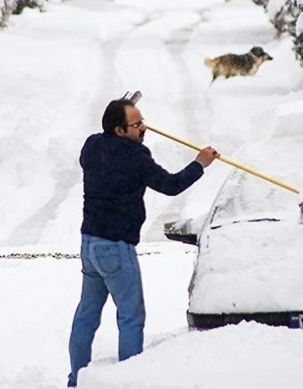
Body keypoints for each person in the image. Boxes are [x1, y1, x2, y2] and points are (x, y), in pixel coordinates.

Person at [67, 98, 218, 387]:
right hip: (117, 249)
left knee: (87, 315)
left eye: (142, 121)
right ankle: (129, 381)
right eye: (137, 125)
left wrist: (124, 112)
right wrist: (200, 163)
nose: (144, 128)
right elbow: (171, 185)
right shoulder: (135, 157)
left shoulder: (92, 146)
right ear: (119, 130)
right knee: (131, 317)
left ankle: (76, 379)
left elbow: (104, 141)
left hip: (90, 245)